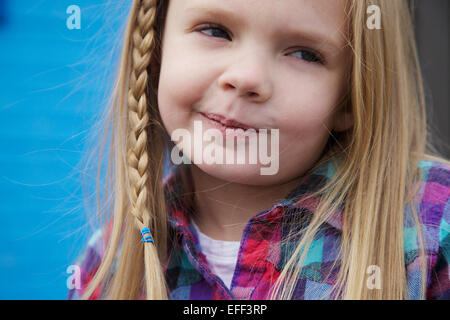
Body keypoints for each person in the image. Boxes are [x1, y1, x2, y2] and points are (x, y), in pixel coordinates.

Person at [68, 0, 450, 300]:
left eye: (303, 53)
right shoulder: (109, 265)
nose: (247, 77)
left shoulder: (432, 227)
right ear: (153, 51)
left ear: (352, 96)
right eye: (215, 30)